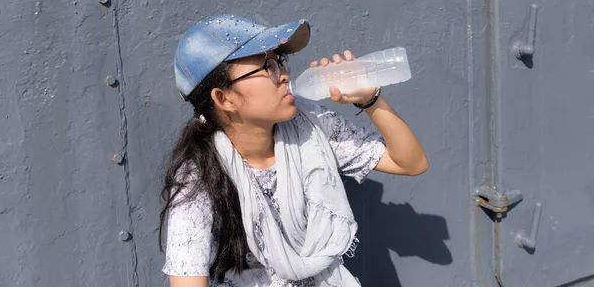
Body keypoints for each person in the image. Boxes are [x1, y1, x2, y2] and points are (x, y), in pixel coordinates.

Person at [159, 15, 428, 287]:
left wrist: (370, 99)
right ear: (224, 98)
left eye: (280, 61)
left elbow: (409, 162)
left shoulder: (310, 125)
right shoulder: (198, 178)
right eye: (268, 67)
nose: (284, 74)